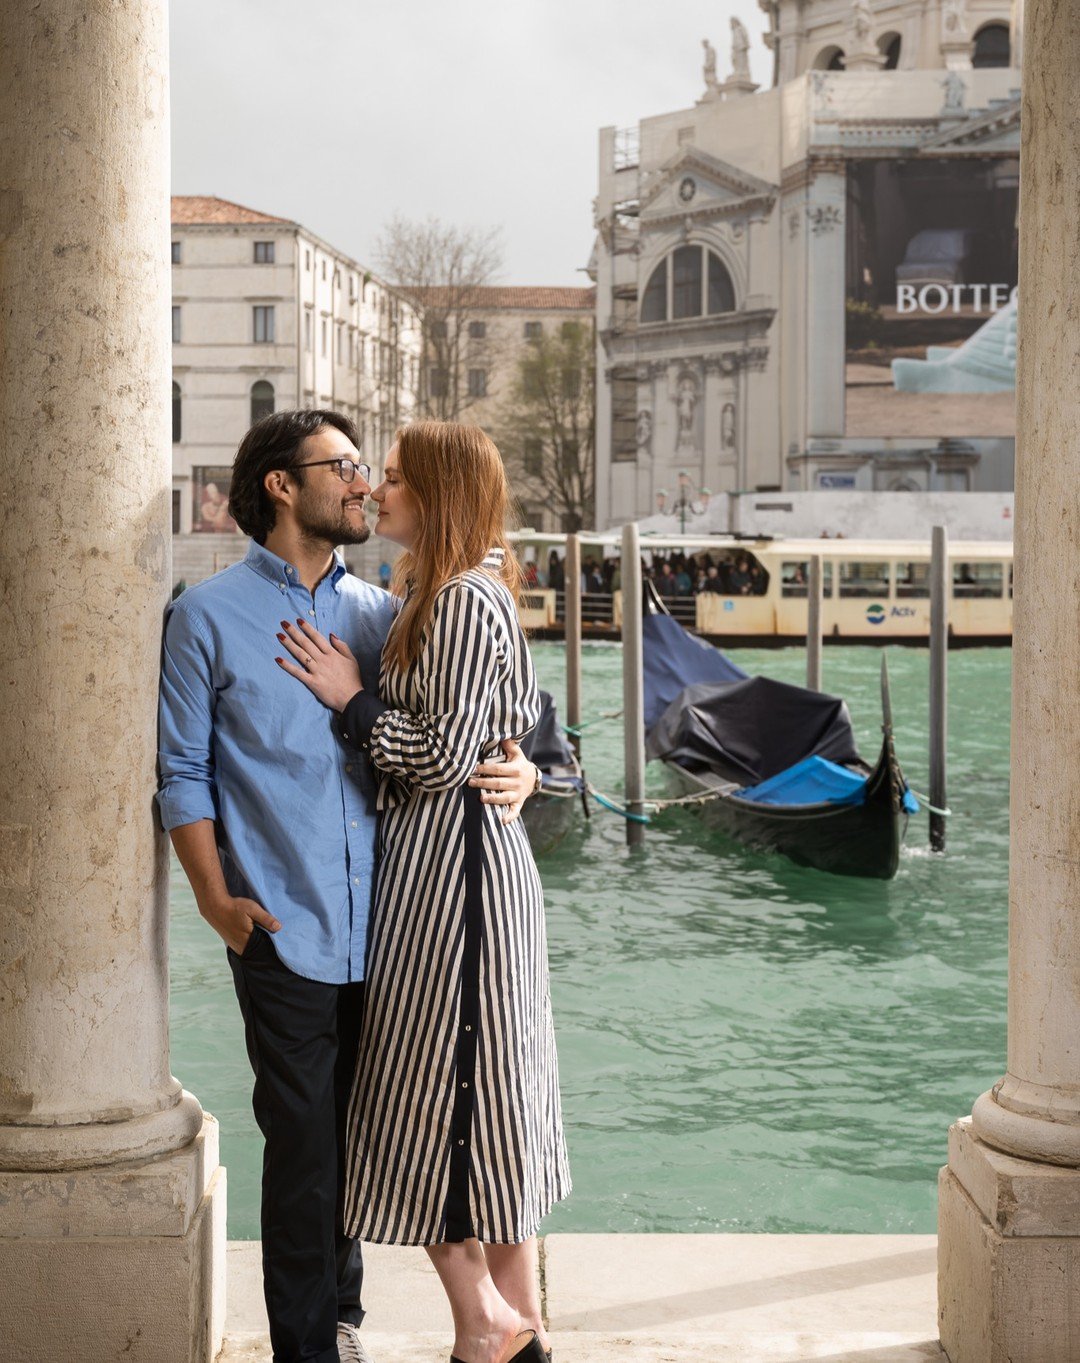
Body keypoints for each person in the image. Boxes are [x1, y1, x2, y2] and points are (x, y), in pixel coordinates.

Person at [157, 409, 538, 1363]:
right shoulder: (204, 617)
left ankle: (348, 1316)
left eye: (377, 469)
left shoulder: (387, 612)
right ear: (284, 484)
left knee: (373, 1143)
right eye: (347, 465)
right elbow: (183, 773)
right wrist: (213, 899)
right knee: (303, 1152)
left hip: (403, 927)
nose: (366, 482)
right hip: (282, 925)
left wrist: (524, 768)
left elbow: (490, 709)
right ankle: (309, 1348)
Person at [274, 422, 570, 1363]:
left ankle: (487, 1323)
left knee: (432, 1095)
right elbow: (495, 729)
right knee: (482, 1097)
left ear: (438, 495)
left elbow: (442, 757)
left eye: (395, 479)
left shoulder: (461, 600)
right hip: (449, 871)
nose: (378, 490)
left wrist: (352, 698)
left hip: (458, 883)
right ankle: (507, 1325)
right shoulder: (439, 593)